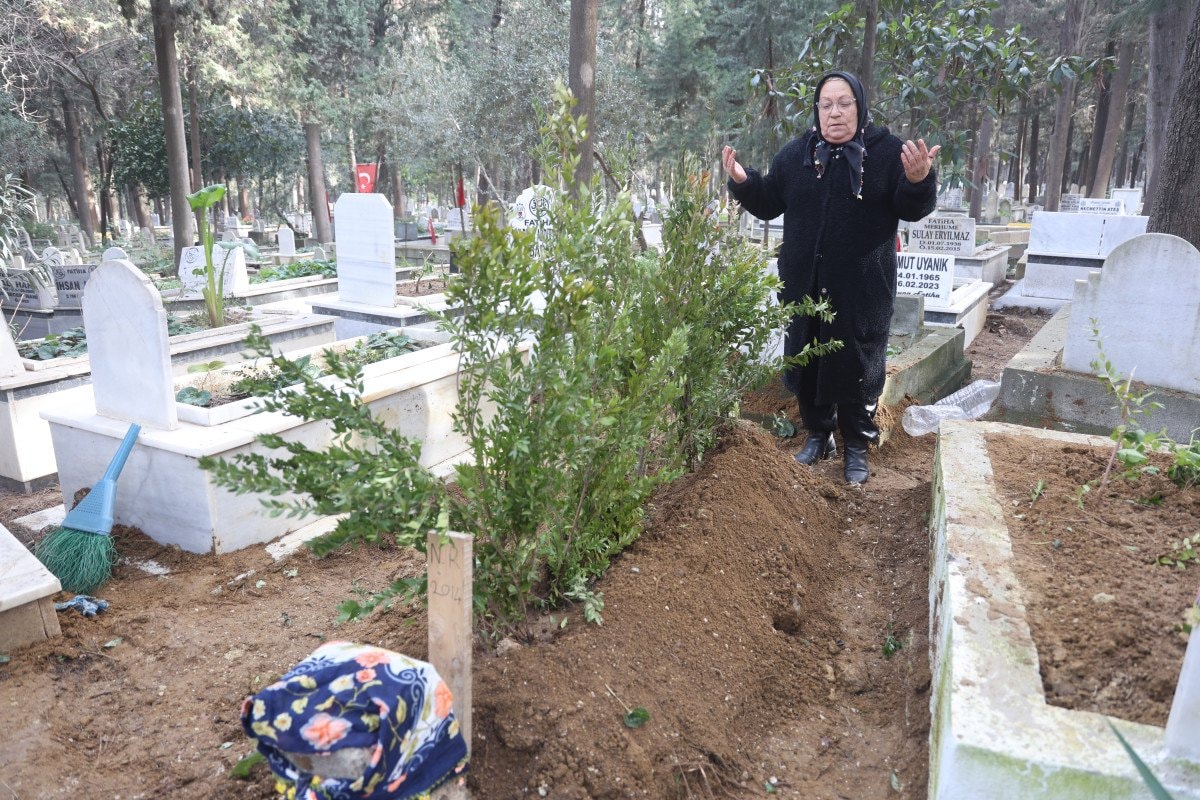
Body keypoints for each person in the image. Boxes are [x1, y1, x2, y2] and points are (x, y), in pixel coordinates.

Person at [722, 70, 939, 485]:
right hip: (804, 283)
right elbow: (770, 202)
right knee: (808, 355)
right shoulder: (796, 154)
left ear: (860, 106)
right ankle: (818, 434)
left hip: (862, 288)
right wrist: (744, 181)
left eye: (844, 104)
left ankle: (857, 443)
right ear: (817, 109)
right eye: (826, 105)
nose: (834, 113)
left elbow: (911, 208)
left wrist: (917, 180)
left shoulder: (888, 152)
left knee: (856, 361)